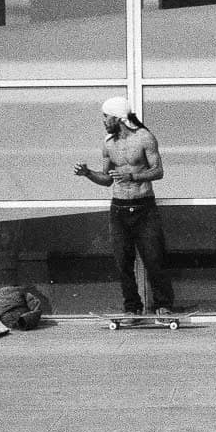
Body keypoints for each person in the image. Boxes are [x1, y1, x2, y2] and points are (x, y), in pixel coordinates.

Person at [74, 96, 181, 316]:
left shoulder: (144, 138)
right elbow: (107, 180)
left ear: (119, 117)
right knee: (123, 263)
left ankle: (163, 305)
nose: (104, 121)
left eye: (106, 116)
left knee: (154, 259)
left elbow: (158, 171)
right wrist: (88, 174)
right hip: (119, 209)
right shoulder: (107, 144)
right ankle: (132, 308)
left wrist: (132, 175)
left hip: (144, 208)